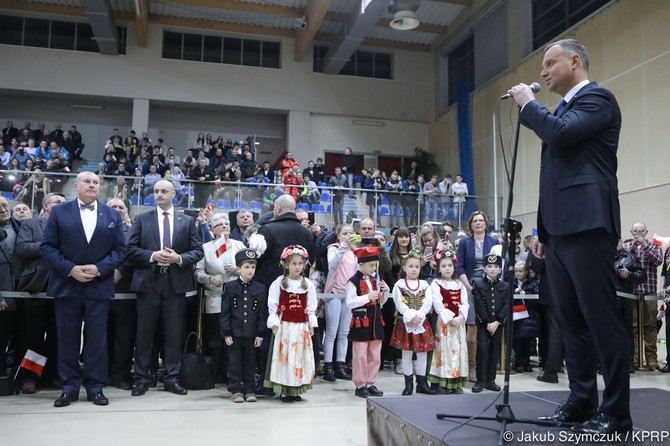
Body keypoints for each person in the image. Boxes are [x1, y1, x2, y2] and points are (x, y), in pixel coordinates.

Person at [509, 38, 631, 434]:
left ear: (575, 61)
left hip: (589, 225)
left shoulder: (598, 99)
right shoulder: (561, 110)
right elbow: (554, 176)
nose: (543, 72)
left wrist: (529, 104)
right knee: (570, 322)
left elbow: (561, 135)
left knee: (602, 320)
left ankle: (615, 413)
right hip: (559, 233)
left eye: (550, 63)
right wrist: (544, 229)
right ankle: (581, 402)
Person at [39, 172, 127, 407]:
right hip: (67, 284)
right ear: (76, 186)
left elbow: (120, 250)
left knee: (97, 340)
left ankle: (95, 386)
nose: (92, 185)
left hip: (99, 285)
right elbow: (47, 247)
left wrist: (99, 269)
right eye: (87, 182)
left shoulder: (111, 215)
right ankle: (69, 387)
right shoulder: (59, 212)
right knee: (67, 339)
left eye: (96, 182)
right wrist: (70, 269)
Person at [127, 180, 204, 397]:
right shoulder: (142, 219)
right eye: (156, 191)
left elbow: (198, 251)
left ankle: (172, 378)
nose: (159, 194)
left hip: (175, 283)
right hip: (148, 283)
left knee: (173, 334)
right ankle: (142, 378)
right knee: (144, 334)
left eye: (163, 191)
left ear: (173, 194)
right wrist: (152, 255)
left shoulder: (187, 221)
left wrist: (178, 258)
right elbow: (130, 249)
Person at [15, 193, 66, 394]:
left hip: (62, 286)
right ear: (45, 206)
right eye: (58, 203)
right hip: (37, 286)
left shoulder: (69, 227)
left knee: (57, 335)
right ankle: (29, 376)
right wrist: (47, 248)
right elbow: (22, 247)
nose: (63, 206)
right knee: (33, 335)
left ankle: (51, 375)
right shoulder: (31, 224)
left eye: (64, 203)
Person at [194, 213, 245, 383]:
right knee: (215, 338)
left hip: (236, 298)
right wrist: (209, 278)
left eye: (226, 224)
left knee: (235, 337)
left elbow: (250, 269)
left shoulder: (239, 245)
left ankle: (234, 372)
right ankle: (216, 372)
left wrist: (238, 271)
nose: (224, 226)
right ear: (213, 230)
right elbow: (198, 272)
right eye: (219, 225)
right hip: (214, 298)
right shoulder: (206, 248)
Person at [264, 245, 317, 402]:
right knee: (285, 357)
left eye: (300, 264)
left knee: (299, 357)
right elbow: (272, 305)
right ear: (286, 265)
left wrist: (311, 324)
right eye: (294, 263)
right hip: (285, 326)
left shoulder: (307, 284)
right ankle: (284, 390)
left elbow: (311, 307)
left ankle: (296, 389)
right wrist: (273, 323)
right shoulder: (279, 282)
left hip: (301, 327)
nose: (297, 267)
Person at [456, 211, 499, 383]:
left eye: (481, 220)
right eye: (475, 221)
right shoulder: (465, 243)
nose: (478, 223)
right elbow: (459, 266)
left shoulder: (494, 242)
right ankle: (471, 367)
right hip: (471, 286)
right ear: (471, 224)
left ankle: (488, 369)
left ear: (486, 223)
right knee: (472, 327)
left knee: (490, 327)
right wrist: (467, 286)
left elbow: (499, 264)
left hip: (490, 287)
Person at [220, 249, 268, 403]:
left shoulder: (260, 289)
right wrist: (226, 333)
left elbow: (262, 314)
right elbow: (225, 312)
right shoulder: (230, 287)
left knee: (250, 362)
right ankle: (235, 389)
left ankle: (249, 389)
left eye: (253, 267)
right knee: (234, 362)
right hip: (234, 333)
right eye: (246, 267)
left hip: (252, 333)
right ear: (238, 268)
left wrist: (260, 334)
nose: (250, 270)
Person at [390, 250, 436, 396]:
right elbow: (399, 303)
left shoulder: (424, 285)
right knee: (406, 353)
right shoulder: (399, 284)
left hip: (421, 323)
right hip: (406, 324)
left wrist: (419, 316)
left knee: (422, 353)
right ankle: (408, 383)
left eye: (417, 266)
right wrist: (410, 317)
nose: (414, 269)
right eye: (410, 266)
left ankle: (422, 383)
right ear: (404, 268)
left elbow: (428, 302)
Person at [346, 246, 390, 398]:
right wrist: (367, 297)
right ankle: (360, 384)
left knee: (375, 355)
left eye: (375, 265)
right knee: (360, 356)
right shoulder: (353, 281)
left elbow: (380, 302)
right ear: (361, 264)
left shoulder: (374, 280)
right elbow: (350, 303)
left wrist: (385, 291)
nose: (373, 268)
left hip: (375, 322)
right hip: (361, 322)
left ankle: (371, 383)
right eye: (371, 265)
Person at [622, 222, 662, 371]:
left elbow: (658, 261)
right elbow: (623, 262)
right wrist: (633, 248)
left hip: (649, 291)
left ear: (646, 232)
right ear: (631, 232)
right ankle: (635, 356)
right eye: (635, 231)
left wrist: (645, 245)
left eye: (641, 231)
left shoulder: (654, 247)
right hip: (632, 292)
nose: (638, 234)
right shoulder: (626, 248)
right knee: (632, 326)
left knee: (650, 325)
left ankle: (651, 358)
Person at [427, 249, 468, 394]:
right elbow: (437, 303)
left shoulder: (459, 284)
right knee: (443, 351)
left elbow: (464, 303)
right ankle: (442, 383)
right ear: (438, 268)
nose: (447, 269)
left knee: (457, 351)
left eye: (449, 265)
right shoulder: (436, 284)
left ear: (454, 267)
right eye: (443, 266)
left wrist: (459, 318)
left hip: (458, 324)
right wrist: (450, 318)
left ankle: (455, 383)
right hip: (444, 324)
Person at [322, 224, 357, 382]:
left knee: (344, 332)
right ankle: (328, 366)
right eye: (345, 233)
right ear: (338, 235)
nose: (348, 236)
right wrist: (342, 247)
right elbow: (332, 265)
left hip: (349, 295)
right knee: (331, 332)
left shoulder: (355, 252)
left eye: (350, 233)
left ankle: (340, 365)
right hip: (334, 293)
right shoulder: (333, 248)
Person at [471, 253, 508, 393]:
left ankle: (491, 380)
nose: (492, 269)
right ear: (484, 268)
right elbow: (479, 305)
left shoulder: (505, 286)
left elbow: (506, 305)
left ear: (500, 269)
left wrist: (497, 321)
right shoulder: (478, 284)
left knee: (495, 350)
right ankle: (481, 380)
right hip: (483, 323)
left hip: (497, 324)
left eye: (496, 266)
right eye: (489, 266)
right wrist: (487, 323)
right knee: (483, 349)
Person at [511, 261, 540, 374]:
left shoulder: (533, 284)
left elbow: (537, 299)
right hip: (516, 315)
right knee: (516, 340)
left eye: (520, 271)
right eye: (516, 271)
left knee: (527, 341)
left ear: (526, 272)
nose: (518, 274)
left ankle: (526, 362)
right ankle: (518, 363)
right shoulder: (512, 283)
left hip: (529, 315)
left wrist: (525, 294)